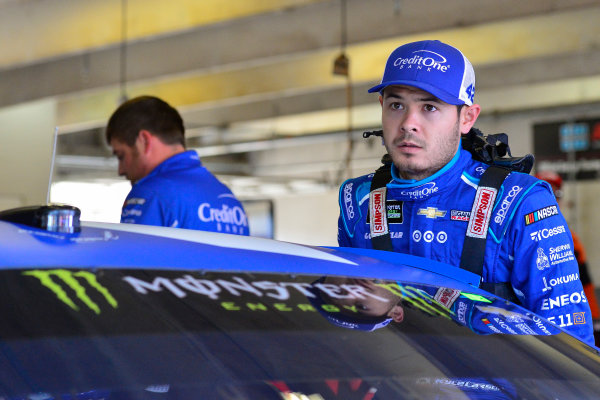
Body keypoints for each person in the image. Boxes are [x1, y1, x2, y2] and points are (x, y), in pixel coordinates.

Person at [337, 39, 594, 345]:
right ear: (382, 107)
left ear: (467, 118)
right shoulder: (359, 198)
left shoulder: (520, 202)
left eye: (429, 107)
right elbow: (345, 323)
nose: (408, 124)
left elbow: (570, 344)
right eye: (396, 105)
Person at [106, 95, 249, 235]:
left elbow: (131, 258)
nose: (121, 170)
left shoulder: (150, 194)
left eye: (121, 155)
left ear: (144, 141)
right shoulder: (229, 201)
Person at [535, 170, 600, 344]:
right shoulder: (515, 236)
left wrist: (594, 321)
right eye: (546, 191)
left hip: (566, 326)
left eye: (557, 193)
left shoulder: (572, 240)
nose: (553, 198)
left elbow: (585, 284)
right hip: (532, 325)